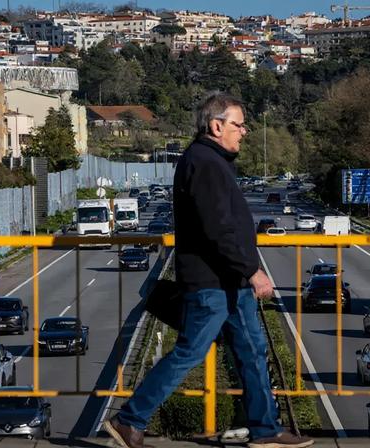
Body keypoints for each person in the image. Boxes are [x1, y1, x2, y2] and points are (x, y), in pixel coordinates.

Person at [104, 93, 314, 448]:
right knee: (190, 352)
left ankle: (265, 430)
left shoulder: (211, 161)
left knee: (252, 351)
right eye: (239, 125)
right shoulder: (204, 163)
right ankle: (129, 420)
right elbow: (217, 228)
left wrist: (244, 272)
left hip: (229, 282)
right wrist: (253, 270)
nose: (244, 131)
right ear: (216, 126)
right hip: (212, 282)